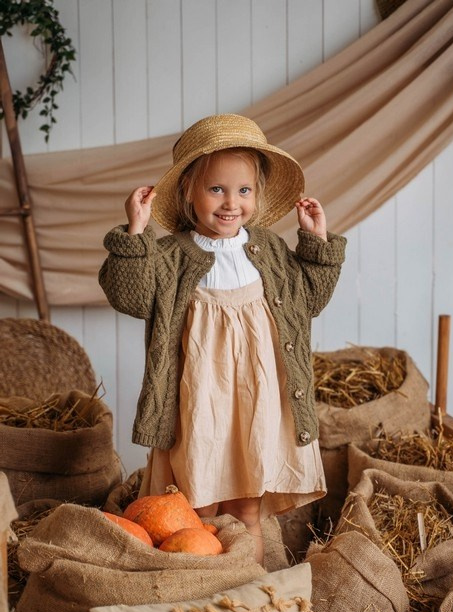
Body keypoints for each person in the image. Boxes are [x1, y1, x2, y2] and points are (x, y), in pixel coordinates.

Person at [99, 113, 346, 564]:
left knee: (247, 509)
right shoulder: (171, 255)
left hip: (257, 401)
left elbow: (308, 299)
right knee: (196, 505)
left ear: (257, 195)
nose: (231, 202)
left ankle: (243, 587)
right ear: (189, 193)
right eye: (216, 189)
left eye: (243, 190)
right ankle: (199, 584)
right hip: (200, 402)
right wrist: (135, 233)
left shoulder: (268, 250)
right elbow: (130, 297)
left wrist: (317, 244)